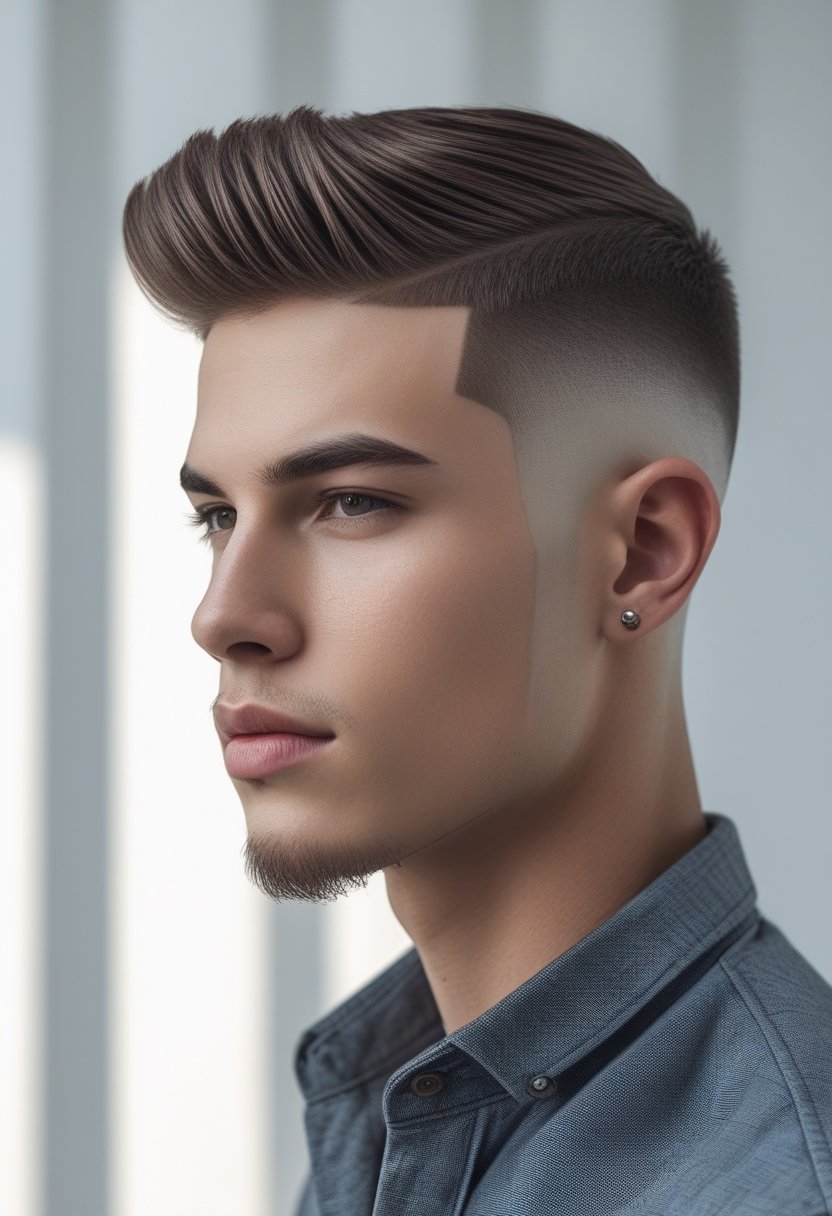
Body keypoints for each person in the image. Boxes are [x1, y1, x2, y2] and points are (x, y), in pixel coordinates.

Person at [121, 104, 832, 1215]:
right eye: (216, 514)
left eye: (352, 502)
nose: (225, 614)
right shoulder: (396, 1105)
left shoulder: (775, 1184)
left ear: (643, 553)